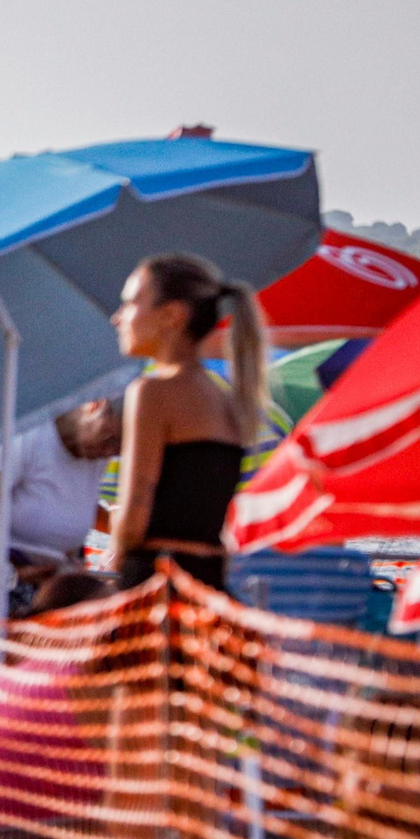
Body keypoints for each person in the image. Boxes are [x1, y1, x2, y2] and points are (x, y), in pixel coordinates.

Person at [110, 253, 267, 592]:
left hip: (155, 585)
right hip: (207, 582)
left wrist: (116, 540)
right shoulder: (227, 399)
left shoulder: (153, 391)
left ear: (172, 315)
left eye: (131, 303)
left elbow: (135, 517)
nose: (117, 318)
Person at [0, 398, 122, 615]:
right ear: (95, 405)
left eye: (120, 447)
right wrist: (14, 569)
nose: (110, 451)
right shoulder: (28, 434)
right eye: (110, 439)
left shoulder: (96, 452)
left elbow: (66, 512)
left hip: (33, 574)